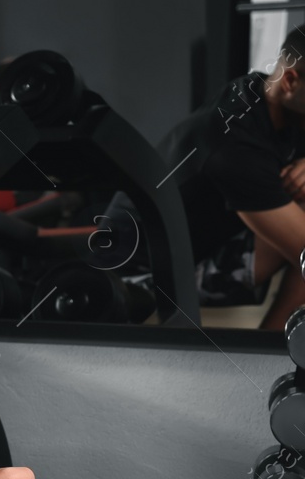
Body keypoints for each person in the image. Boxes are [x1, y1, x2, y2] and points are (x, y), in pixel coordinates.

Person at [106, 25, 305, 328]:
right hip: (144, 273)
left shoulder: (264, 92)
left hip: (194, 242)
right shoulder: (235, 141)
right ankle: (272, 350)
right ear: (291, 80)